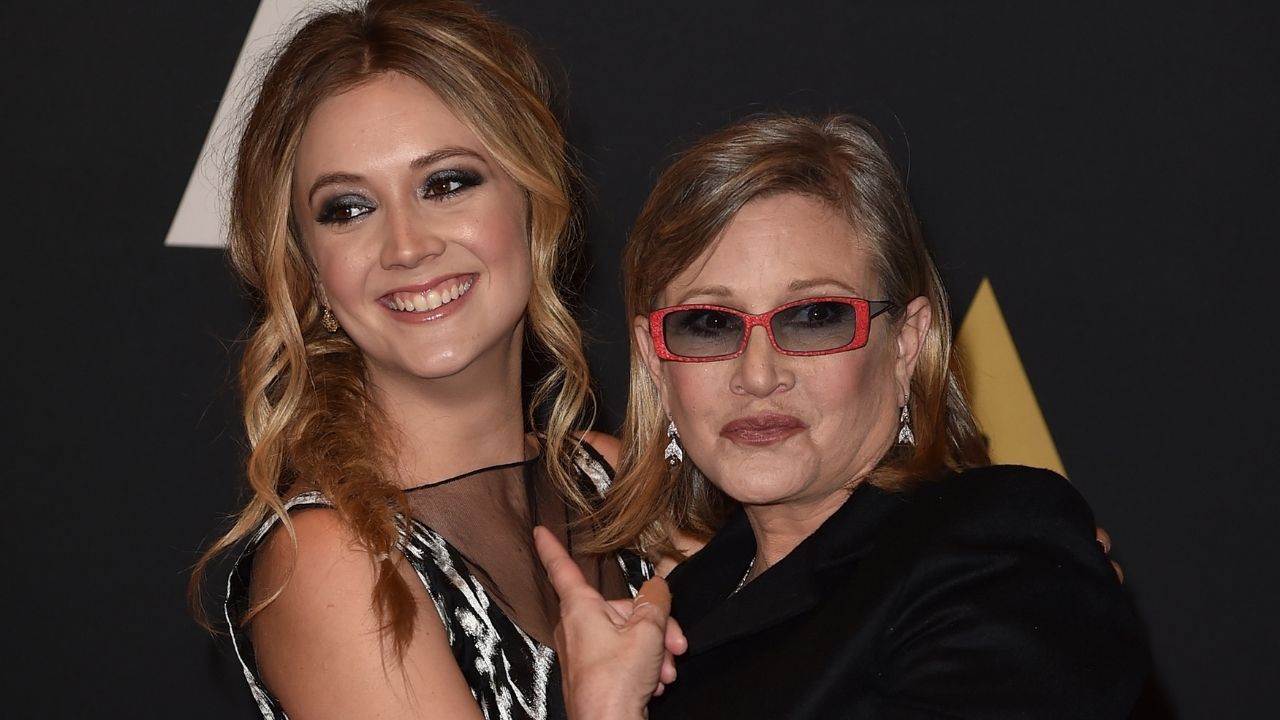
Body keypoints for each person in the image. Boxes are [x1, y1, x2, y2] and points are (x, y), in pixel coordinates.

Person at [539, 112, 1149, 719]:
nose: (757, 376)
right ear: (655, 364)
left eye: (814, 318)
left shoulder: (994, 547)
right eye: (709, 324)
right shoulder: (676, 612)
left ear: (906, 345)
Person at [187, 2, 651, 718]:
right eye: (347, 208)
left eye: (447, 183)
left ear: (533, 202)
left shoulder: (616, 483)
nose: (406, 247)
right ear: (307, 267)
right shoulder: (335, 564)